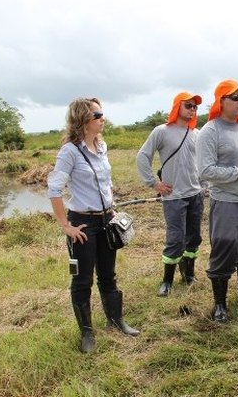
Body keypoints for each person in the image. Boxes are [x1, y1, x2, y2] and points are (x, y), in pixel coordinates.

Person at [48, 97, 139, 354]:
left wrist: (112, 206)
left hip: (105, 219)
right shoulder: (69, 152)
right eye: (97, 115)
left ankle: (116, 320)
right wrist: (66, 226)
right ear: (82, 121)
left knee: (108, 275)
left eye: (102, 114)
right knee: (82, 280)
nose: (102, 118)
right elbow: (54, 189)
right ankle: (87, 333)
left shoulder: (102, 146)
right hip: (83, 223)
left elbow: (104, 182)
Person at [197, 79, 238, 322]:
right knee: (225, 246)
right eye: (235, 98)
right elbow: (205, 170)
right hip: (226, 202)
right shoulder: (210, 131)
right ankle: (220, 305)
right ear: (221, 102)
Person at [136, 92, 205, 297]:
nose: (192, 109)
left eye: (195, 107)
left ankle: (188, 273)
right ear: (177, 107)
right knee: (175, 239)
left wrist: (205, 184)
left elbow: (203, 161)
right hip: (174, 196)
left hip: (196, 194)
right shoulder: (162, 131)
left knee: (194, 238)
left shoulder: (197, 134)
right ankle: (167, 281)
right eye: (188, 105)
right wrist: (153, 183)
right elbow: (143, 156)